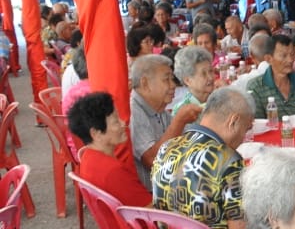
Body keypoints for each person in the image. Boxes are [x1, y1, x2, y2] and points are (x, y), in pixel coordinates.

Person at [152, 87, 252, 229]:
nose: (243, 138)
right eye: (245, 129)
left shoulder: (166, 147)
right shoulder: (227, 159)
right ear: (234, 121)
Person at [67, 92, 151, 207]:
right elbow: (153, 211)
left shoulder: (87, 157)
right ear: (96, 133)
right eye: (116, 121)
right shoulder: (113, 172)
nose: (123, 123)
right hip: (138, 223)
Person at [129, 54, 201, 189]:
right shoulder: (134, 111)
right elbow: (153, 161)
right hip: (156, 196)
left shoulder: (157, 106)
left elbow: (187, 134)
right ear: (145, 83)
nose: (173, 85)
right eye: (166, 79)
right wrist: (179, 121)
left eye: (172, 79)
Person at [246, 33, 295, 118]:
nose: (290, 60)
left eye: (292, 54)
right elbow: (257, 123)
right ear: (269, 59)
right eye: (283, 56)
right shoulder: (255, 87)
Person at [171, 45, 216, 114]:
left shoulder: (218, 98)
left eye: (210, 71)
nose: (210, 77)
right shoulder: (182, 111)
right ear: (188, 80)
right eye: (203, 73)